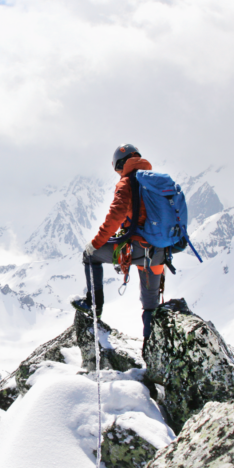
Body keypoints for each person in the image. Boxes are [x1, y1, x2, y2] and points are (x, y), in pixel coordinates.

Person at [72, 144, 165, 339]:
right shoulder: (157, 183)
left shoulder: (127, 183)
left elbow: (115, 216)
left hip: (137, 249)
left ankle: (93, 306)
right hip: (159, 253)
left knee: (90, 255)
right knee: (151, 308)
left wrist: (96, 243)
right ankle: (152, 354)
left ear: (120, 165)